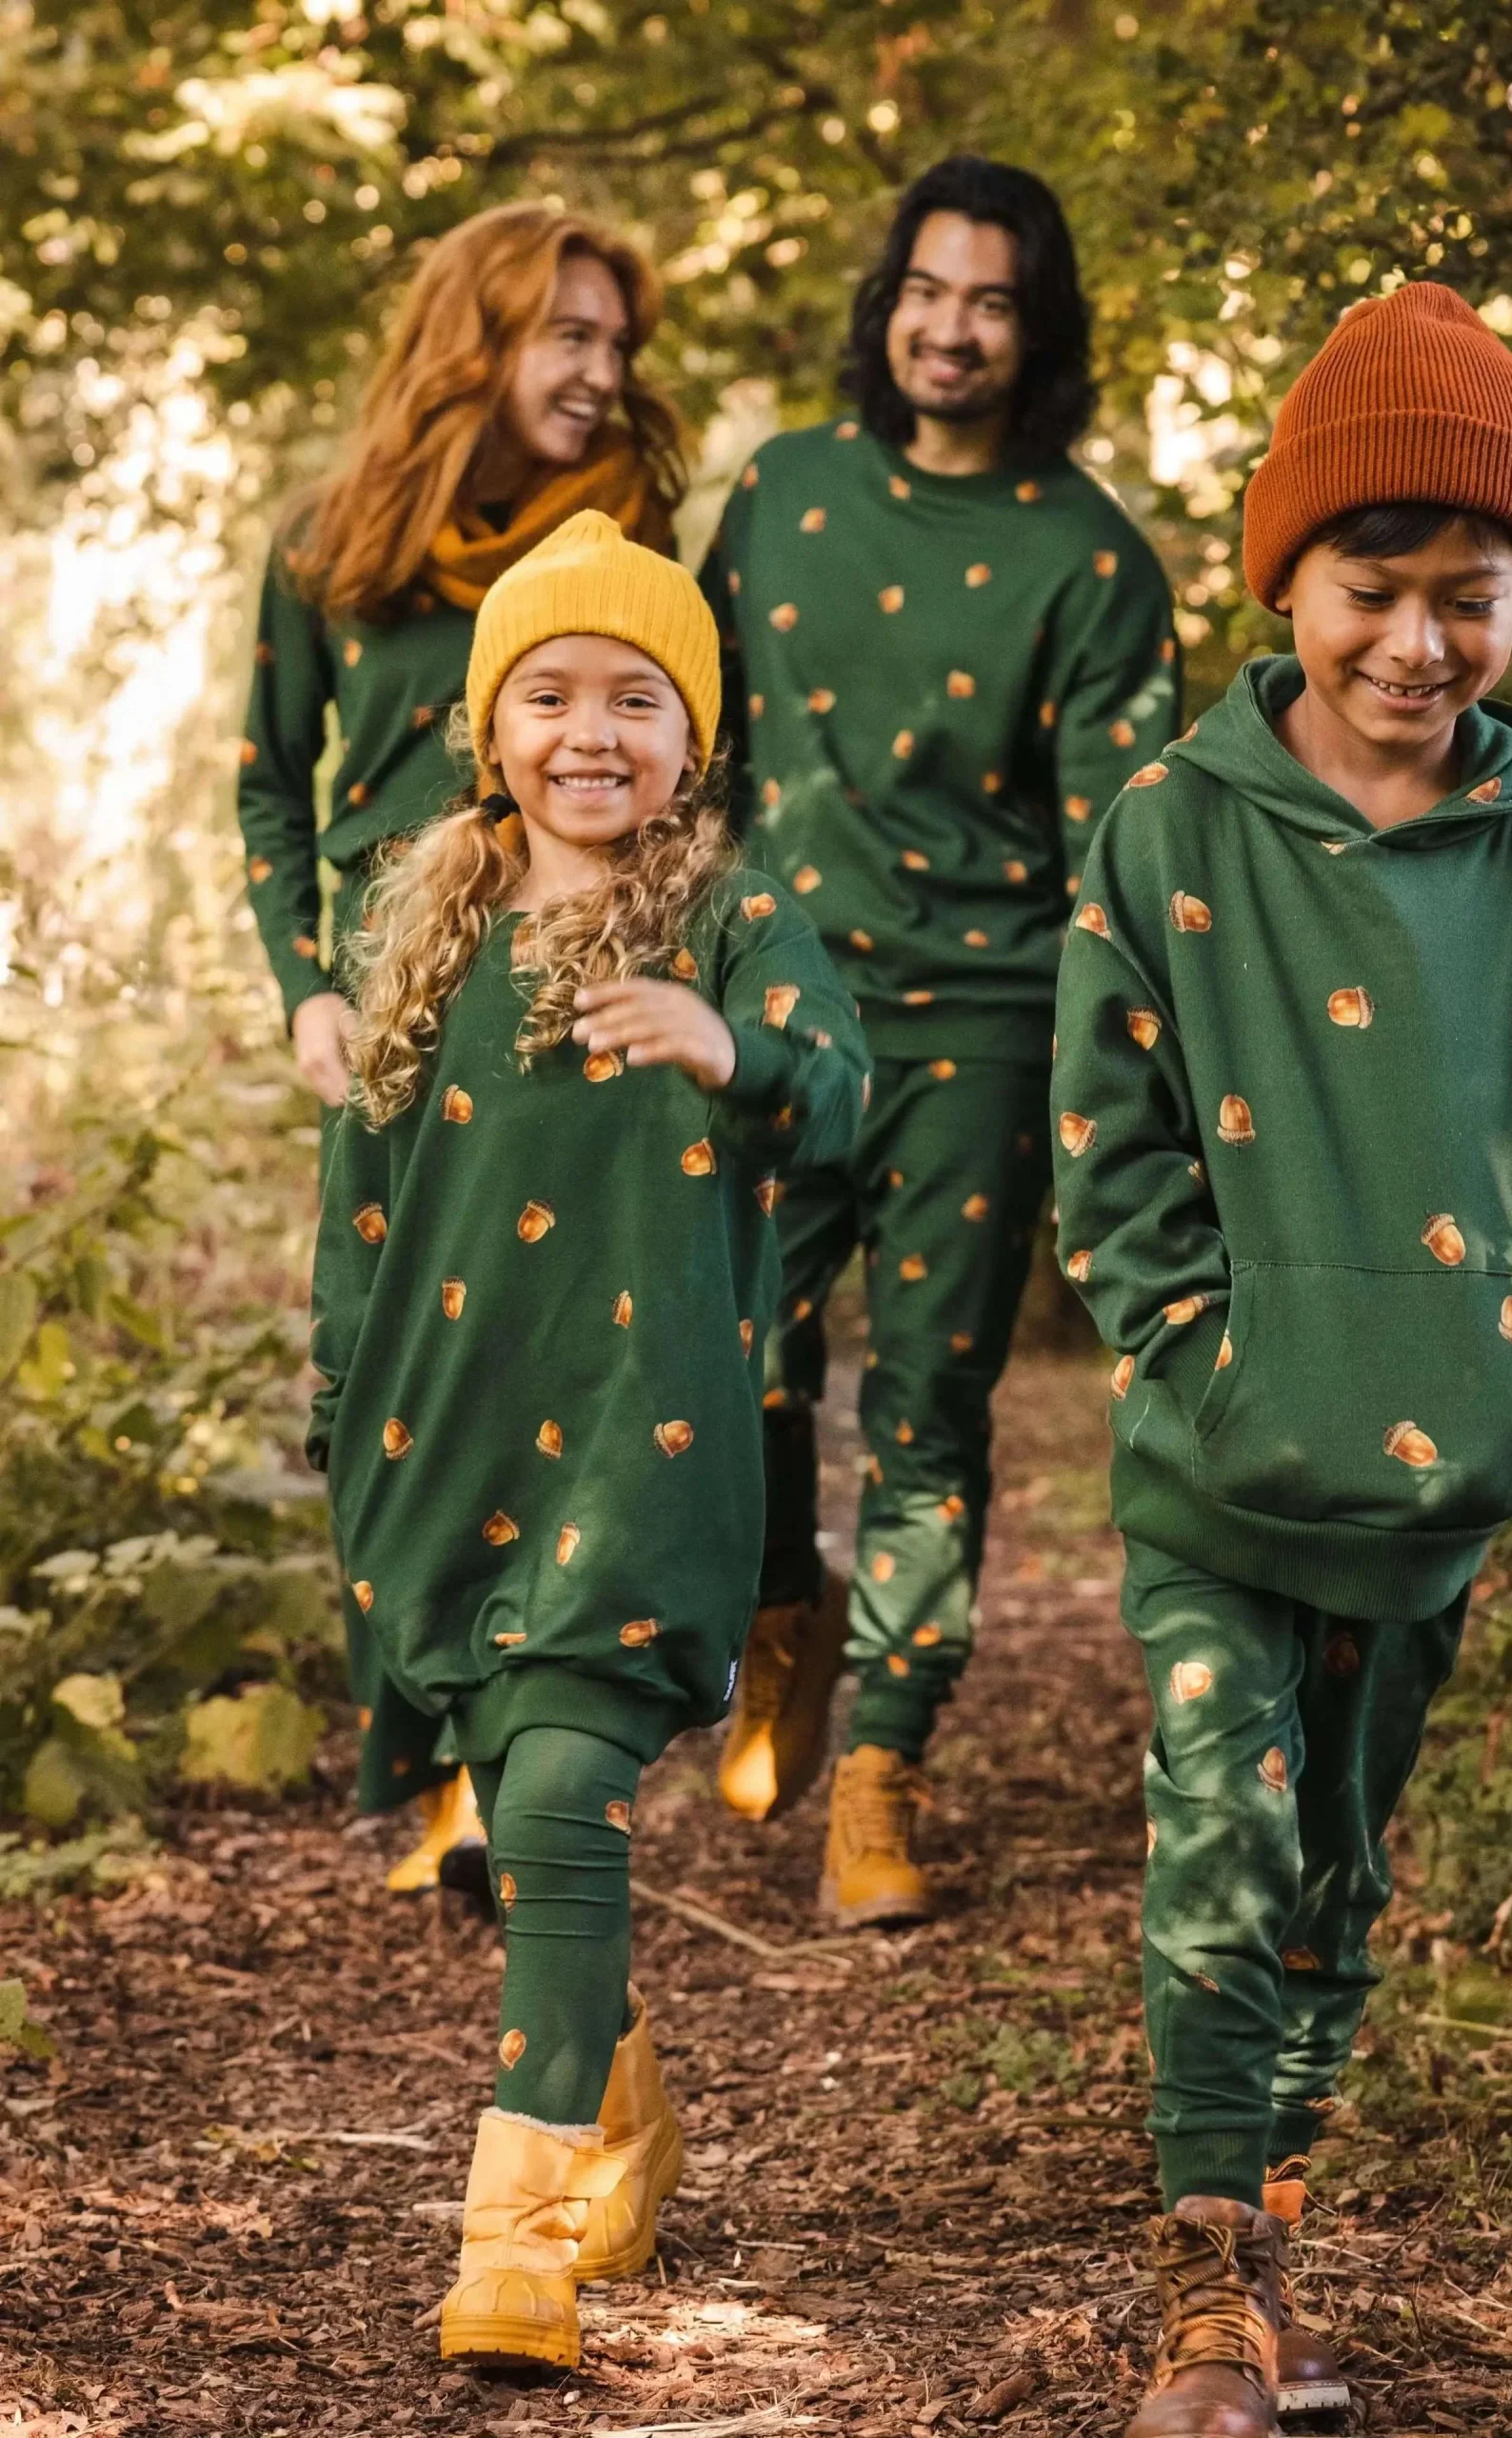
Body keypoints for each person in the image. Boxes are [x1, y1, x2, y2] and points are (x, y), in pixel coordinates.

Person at [1050, 283, 1512, 2435]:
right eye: (1371, 589)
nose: (1416, 643)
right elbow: (1110, 1123)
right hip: (1218, 1467)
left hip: (1442, 1478)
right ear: (1286, 582)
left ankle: (1277, 2231)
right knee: (1221, 1835)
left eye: (1468, 599)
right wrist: (1196, 1346)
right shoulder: (1174, 827)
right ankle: (1203, 2277)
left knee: (1337, 1860)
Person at [307, 510, 866, 2368]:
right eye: (549, 693)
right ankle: (621, 2104)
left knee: (555, 1798)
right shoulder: (428, 930)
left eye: (637, 696)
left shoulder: (732, 922)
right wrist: (340, 1408)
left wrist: (731, 1046)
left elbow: (843, 1091)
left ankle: (516, 2238)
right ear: (493, 726)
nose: (591, 731)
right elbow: (361, 1211)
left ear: (690, 738)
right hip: (448, 1448)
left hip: (650, 1440)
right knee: (540, 1821)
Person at [648, 154, 1179, 1927]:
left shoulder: (1092, 562)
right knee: (736, 1346)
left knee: (933, 1405)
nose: (951, 330)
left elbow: (1119, 856)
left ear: (1040, 332)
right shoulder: (785, 491)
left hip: (985, 1029)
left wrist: (1129, 1072)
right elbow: (694, 737)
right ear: (888, 307)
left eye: (993, 303)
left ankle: (884, 1760)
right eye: (928, 292)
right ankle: (781, 1604)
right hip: (772, 1004)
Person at [238, 202, 685, 1891]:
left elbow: (689, 753)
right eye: (568, 335)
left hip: (572, 968)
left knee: (549, 1343)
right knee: (387, 1350)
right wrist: (308, 986)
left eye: (615, 344)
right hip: (395, 995)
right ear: (474, 341)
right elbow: (269, 788)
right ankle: (419, 1731)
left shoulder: (631, 537)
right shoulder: (327, 542)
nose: (601, 372)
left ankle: (523, 1742)